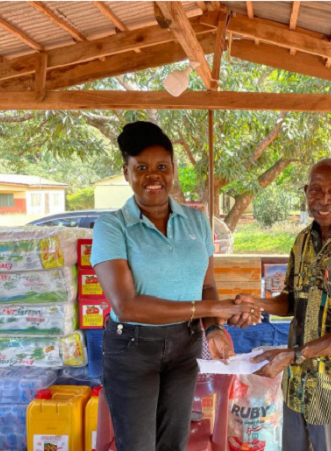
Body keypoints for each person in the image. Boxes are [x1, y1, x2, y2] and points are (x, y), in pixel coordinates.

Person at [91, 121, 261, 451]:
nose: (153, 176)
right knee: (138, 446)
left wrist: (212, 330)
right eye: (141, 167)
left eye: (162, 166)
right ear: (126, 173)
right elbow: (127, 305)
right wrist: (211, 310)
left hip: (185, 344)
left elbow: (208, 286)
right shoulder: (112, 227)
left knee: (174, 443)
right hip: (132, 349)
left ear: (173, 170)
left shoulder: (197, 221)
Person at [234, 158, 331, 451]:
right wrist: (257, 303)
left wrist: (295, 354)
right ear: (305, 191)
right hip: (297, 389)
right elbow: (292, 302)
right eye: (315, 190)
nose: (324, 200)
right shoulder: (303, 240)